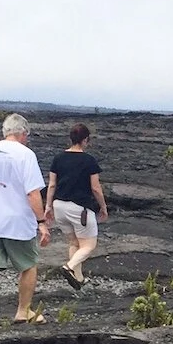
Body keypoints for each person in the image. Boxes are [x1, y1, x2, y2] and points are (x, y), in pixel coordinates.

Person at [0, 113, 51, 329]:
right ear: (23, 134)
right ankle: (23, 311)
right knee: (28, 266)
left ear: (5, 132)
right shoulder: (25, 155)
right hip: (17, 224)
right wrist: (41, 221)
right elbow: (33, 193)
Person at [44, 122, 108, 289]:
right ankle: (69, 267)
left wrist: (48, 206)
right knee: (89, 245)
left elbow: (51, 185)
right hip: (79, 209)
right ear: (85, 139)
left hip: (59, 206)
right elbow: (95, 188)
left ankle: (78, 279)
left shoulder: (58, 158)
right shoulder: (89, 161)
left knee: (74, 243)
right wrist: (103, 206)